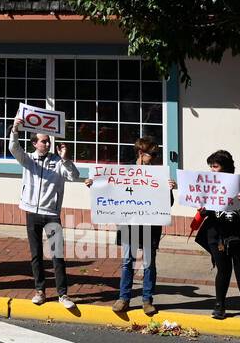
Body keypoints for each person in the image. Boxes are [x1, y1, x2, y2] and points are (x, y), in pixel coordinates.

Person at [92, 137, 172, 315]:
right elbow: (110, 191)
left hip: (150, 226)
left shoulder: (158, 175)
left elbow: (168, 203)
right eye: (153, 154)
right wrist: (94, 185)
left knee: (149, 263)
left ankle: (147, 299)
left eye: (156, 154)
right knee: (128, 261)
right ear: (141, 154)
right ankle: (124, 298)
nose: (155, 157)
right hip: (130, 225)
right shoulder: (125, 171)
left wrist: (169, 189)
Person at [194, 149, 240, 321]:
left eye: (215, 166)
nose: (212, 170)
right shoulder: (209, 185)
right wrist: (203, 211)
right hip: (217, 235)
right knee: (223, 270)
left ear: (226, 167)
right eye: (210, 166)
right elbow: (205, 210)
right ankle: (219, 306)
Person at [10, 125, 80, 308]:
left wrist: (65, 159)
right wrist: (15, 130)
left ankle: (63, 294)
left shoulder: (58, 161)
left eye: (48, 141)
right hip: (32, 212)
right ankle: (40, 291)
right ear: (34, 143)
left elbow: (74, 176)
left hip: (51, 214)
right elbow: (13, 148)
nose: (47, 143)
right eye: (43, 141)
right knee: (36, 255)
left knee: (57, 255)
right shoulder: (28, 160)